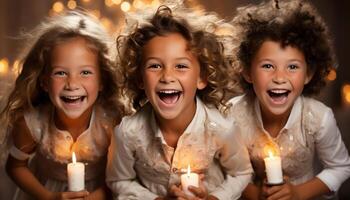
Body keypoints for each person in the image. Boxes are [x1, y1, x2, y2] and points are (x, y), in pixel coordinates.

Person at [106, 4, 253, 200]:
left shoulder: (222, 129)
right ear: (140, 78)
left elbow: (241, 173)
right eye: (155, 65)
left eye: (181, 66)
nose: (167, 76)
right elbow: (119, 180)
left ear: (201, 78)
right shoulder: (127, 133)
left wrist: (215, 197)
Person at [228, 0, 350, 199]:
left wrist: (298, 193)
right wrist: (256, 194)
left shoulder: (318, 117)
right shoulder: (233, 115)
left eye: (292, 67)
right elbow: (226, 171)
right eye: (268, 66)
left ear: (309, 74)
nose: (279, 77)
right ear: (247, 71)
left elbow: (341, 167)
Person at [1, 11, 129, 200]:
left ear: (102, 80)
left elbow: (121, 175)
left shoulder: (112, 123)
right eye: (60, 73)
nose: (72, 84)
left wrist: (96, 197)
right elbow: (15, 167)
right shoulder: (32, 124)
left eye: (85, 72)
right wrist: (49, 197)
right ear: (44, 81)